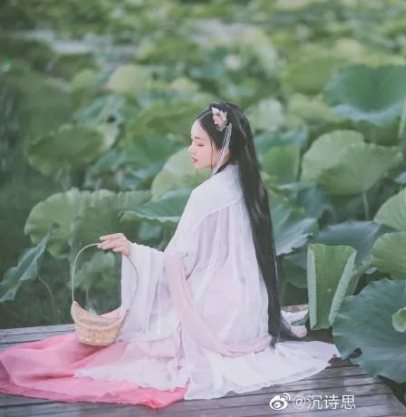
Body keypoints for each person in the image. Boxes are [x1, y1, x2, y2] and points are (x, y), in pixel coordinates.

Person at [0, 102, 340, 408]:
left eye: (199, 143)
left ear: (225, 147)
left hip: (214, 320)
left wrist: (133, 250)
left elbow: (177, 262)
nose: (191, 149)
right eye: (191, 141)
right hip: (248, 315)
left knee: (133, 343)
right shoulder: (252, 188)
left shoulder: (205, 195)